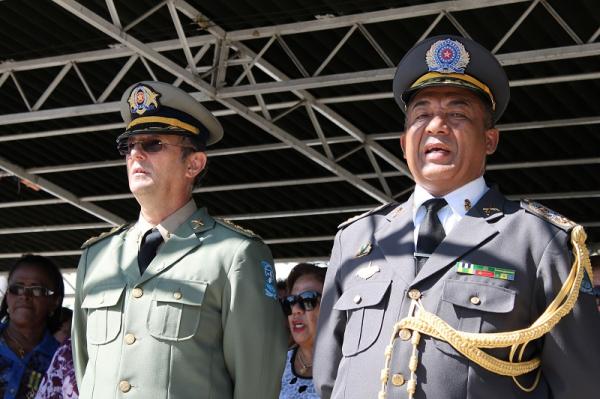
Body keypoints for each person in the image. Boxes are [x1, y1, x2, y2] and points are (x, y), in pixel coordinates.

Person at [314, 35, 600, 399]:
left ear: (490, 140)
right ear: (404, 144)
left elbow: (581, 386)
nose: (436, 126)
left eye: (457, 114)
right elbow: (328, 379)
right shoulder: (354, 239)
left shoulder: (540, 241)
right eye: (421, 115)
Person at [72, 81, 288, 399]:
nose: (136, 154)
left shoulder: (234, 255)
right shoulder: (97, 257)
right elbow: (85, 369)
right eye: (128, 146)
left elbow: (255, 381)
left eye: (153, 144)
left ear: (194, 163)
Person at [0, 255, 64, 399]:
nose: (24, 295)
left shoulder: (61, 360)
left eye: (37, 290)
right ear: (7, 296)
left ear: (55, 301)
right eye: (17, 288)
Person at [279, 264, 326, 399]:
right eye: (291, 301)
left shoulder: (349, 366)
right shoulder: (277, 364)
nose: (295, 310)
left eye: (307, 299)